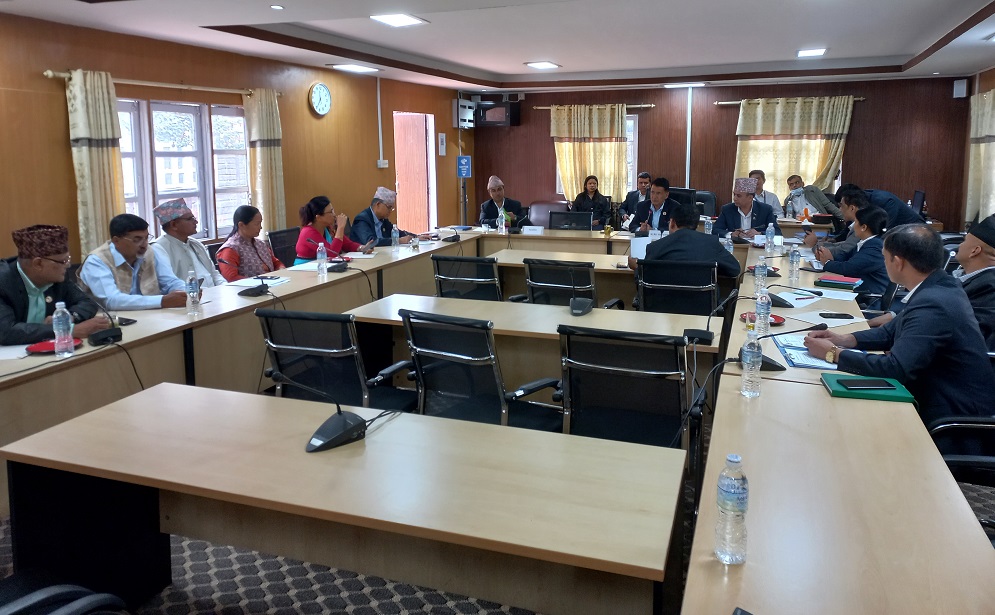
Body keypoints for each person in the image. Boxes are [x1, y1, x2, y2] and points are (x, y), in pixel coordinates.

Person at [804, 224, 994, 425]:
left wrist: (833, 353)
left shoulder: (934, 302)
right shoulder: (937, 285)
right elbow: (889, 333)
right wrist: (844, 339)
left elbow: (896, 368)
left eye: (885, 258)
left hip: (949, 416)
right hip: (932, 395)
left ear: (898, 262)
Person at [0, 225, 111, 345]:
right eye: (63, 261)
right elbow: (6, 331)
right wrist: (69, 330)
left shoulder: (57, 277)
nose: (68, 265)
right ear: (38, 264)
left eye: (68, 259)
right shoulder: (3, 282)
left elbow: (87, 302)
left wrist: (69, 317)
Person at [78, 213, 187, 310]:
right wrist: (162, 301)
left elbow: (170, 282)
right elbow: (111, 300)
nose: (144, 245)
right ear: (116, 240)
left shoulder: (150, 251)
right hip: (112, 321)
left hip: (151, 316)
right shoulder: (97, 261)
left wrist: (188, 292)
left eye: (146, 238)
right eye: (137, 240)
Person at [628, 200, 741, 277]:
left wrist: (637, 268)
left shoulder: (654, 247)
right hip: (702, 304)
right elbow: (734, 270)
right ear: (697, 225)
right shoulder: (711, 243)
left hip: (663, 304)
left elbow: (644, 281)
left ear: (672, 223)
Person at [150, 198, 226, 288]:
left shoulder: (196, 244)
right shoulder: (158, 248)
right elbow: (167, 285)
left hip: (214, 293)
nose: (196, 222)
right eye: (190, 219)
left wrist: (225, 288)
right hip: (187, 296)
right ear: (174, 225)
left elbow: (214, 274)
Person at [814, 206, 890, 296]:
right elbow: (846, 257)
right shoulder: (866, 242)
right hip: (859, 290)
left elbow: (849, 269)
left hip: (869, 296)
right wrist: (826, 256)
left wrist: (827, 262)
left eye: (856, 222)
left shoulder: (875, 247)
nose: (853, 226)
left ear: (863, 227)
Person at [952, 214, 995, 350]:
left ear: (975, 251)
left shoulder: (989, 287)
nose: (960, 245)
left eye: (964, 241)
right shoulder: (977, 279)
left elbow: (968, 337)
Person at [295, 196, 373, 265]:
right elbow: (332, 253)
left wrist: (362, 248)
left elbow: (347, 244)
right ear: (319, 217)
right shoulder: (308, 232)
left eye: (333, 210)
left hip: (322, 266)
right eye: (330, 212)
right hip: (304, 269)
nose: (334, 214)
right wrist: (340, 228)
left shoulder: (328, 228)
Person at [215, 205, 285, 282]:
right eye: (257, 224)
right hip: (250, 288)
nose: (260, 227)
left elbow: (276, 263)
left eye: (260, 223)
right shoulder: (230, 249)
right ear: (241, 225)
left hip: (272, 283)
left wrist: (281, 269)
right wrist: (259, 282)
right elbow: (231, 278)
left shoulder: (261, 244)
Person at [802, 188, 872, 256]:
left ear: (852, 208)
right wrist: (822, 243)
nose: (839, 210)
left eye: (841, 206)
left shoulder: (861, 227)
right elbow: (844, 244)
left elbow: (843, 251)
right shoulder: (859, 223)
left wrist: (815, 245)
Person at [351, 187, 426, 246]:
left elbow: (398, 232)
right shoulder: (362, 220)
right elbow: (371, 242)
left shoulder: (383, 220)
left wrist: (415, 237)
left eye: (392, 208)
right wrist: (398, 241)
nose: (390, 211)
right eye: (389, 207)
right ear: (378, 204)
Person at [712, 177, 781, 239]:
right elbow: (715, 230)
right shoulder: (727, 209)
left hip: (757, 247)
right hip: (735, 246)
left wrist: (759, 234)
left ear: (750, 198)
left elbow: (777, 232)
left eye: (738, 196)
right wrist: (731, 234)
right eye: (734, 194)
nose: (734, 198)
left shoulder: (765, 210)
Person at [835, 183, 924, 228]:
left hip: (915, 231)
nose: (840, 209)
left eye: (841, 205)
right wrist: (836, 240)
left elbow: (884, 233)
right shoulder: (859, 203)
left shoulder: (885, 202)